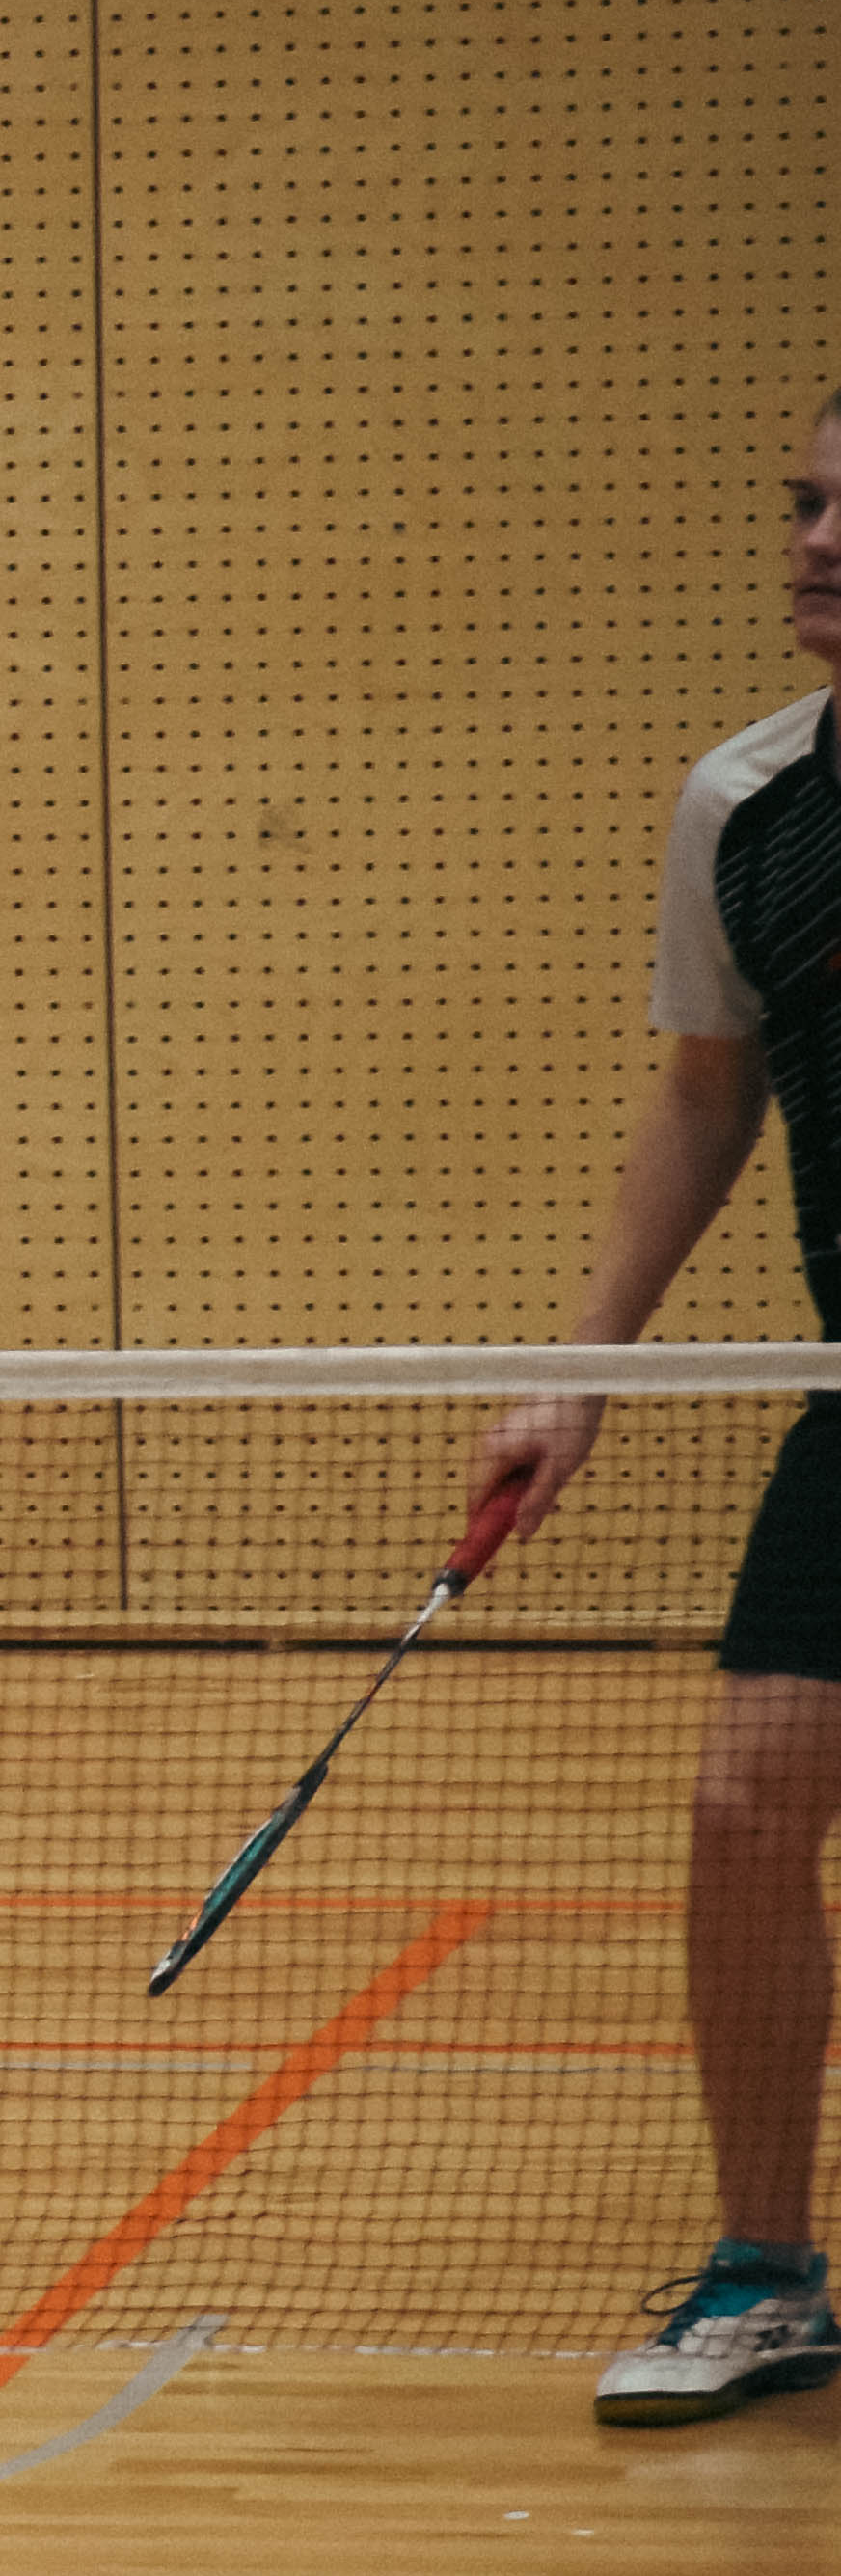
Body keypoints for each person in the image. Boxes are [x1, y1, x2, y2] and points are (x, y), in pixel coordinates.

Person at [468, 388, 841, 2427]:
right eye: (805, 500)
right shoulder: (745, 804)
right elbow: (707, 1096)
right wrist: (581, 1373)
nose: (817, 540)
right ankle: (767, 2271)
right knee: (740, 1807)